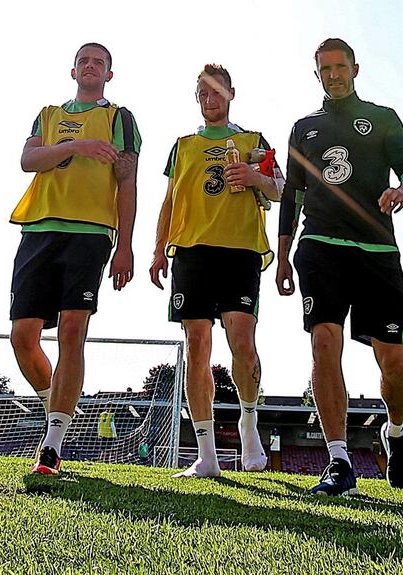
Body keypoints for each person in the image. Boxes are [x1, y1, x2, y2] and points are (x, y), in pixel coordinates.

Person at [277, 38, 403, 494]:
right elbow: (291, 195)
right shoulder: (304, 127)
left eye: (341, 67)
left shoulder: (382, 118)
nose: (334, 75)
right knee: (324, 341)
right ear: (316, 73)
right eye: (325, 69)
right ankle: (339, 461)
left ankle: (395, 434)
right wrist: (282, 254)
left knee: (393, 361)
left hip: (377, 249)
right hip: (320, 244)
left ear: (355, 69)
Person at [10, 42, 141, 475]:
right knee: (22, 337)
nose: (90, 66)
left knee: (72, 330)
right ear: (73, 71)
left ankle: (52, 443)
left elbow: (127, 184)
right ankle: (56, 403)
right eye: (84, 60)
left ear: (109, 74)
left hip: (90, 233)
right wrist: (78, 146)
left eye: (99, 62)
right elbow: (28, 160)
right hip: (40, 228)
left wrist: (125, 245)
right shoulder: (49, 114)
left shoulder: (120, 118)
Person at [150, 64, 283, 478]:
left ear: (231, 93)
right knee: (197, 346)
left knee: (242, 342)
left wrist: (254, 178)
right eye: (202, 94)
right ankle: (206, 456)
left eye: (216, 92)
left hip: (240, 250)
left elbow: (281, 187)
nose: (209, 100)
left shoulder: (252, 141)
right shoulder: (183, 145)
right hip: (191, 252)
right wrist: (158, 251)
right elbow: (170, 202)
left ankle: (249, 423)